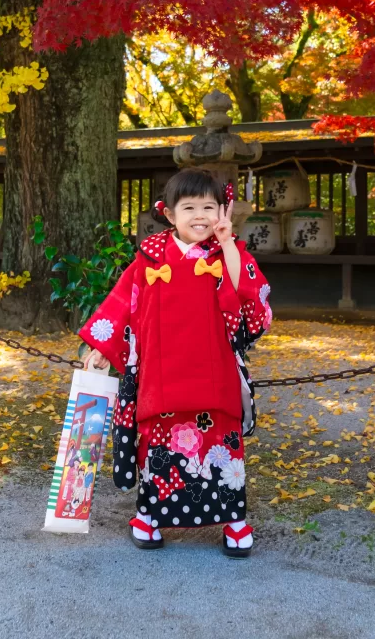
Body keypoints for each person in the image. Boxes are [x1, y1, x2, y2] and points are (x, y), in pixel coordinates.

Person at [79, 168, 272, 558]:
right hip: (160, 375)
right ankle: (149, 517)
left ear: (223, 211)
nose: (200, 215)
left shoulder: (228, 253)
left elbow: (249, 295)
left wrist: (227, 242)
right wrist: (101, 347)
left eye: (209, 207)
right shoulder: (150, 259)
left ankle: (234, 522)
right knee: (157, 447)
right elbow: (122, 306)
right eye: (189, 207)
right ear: (169, 214)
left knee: (222, 446)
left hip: (213, 375)